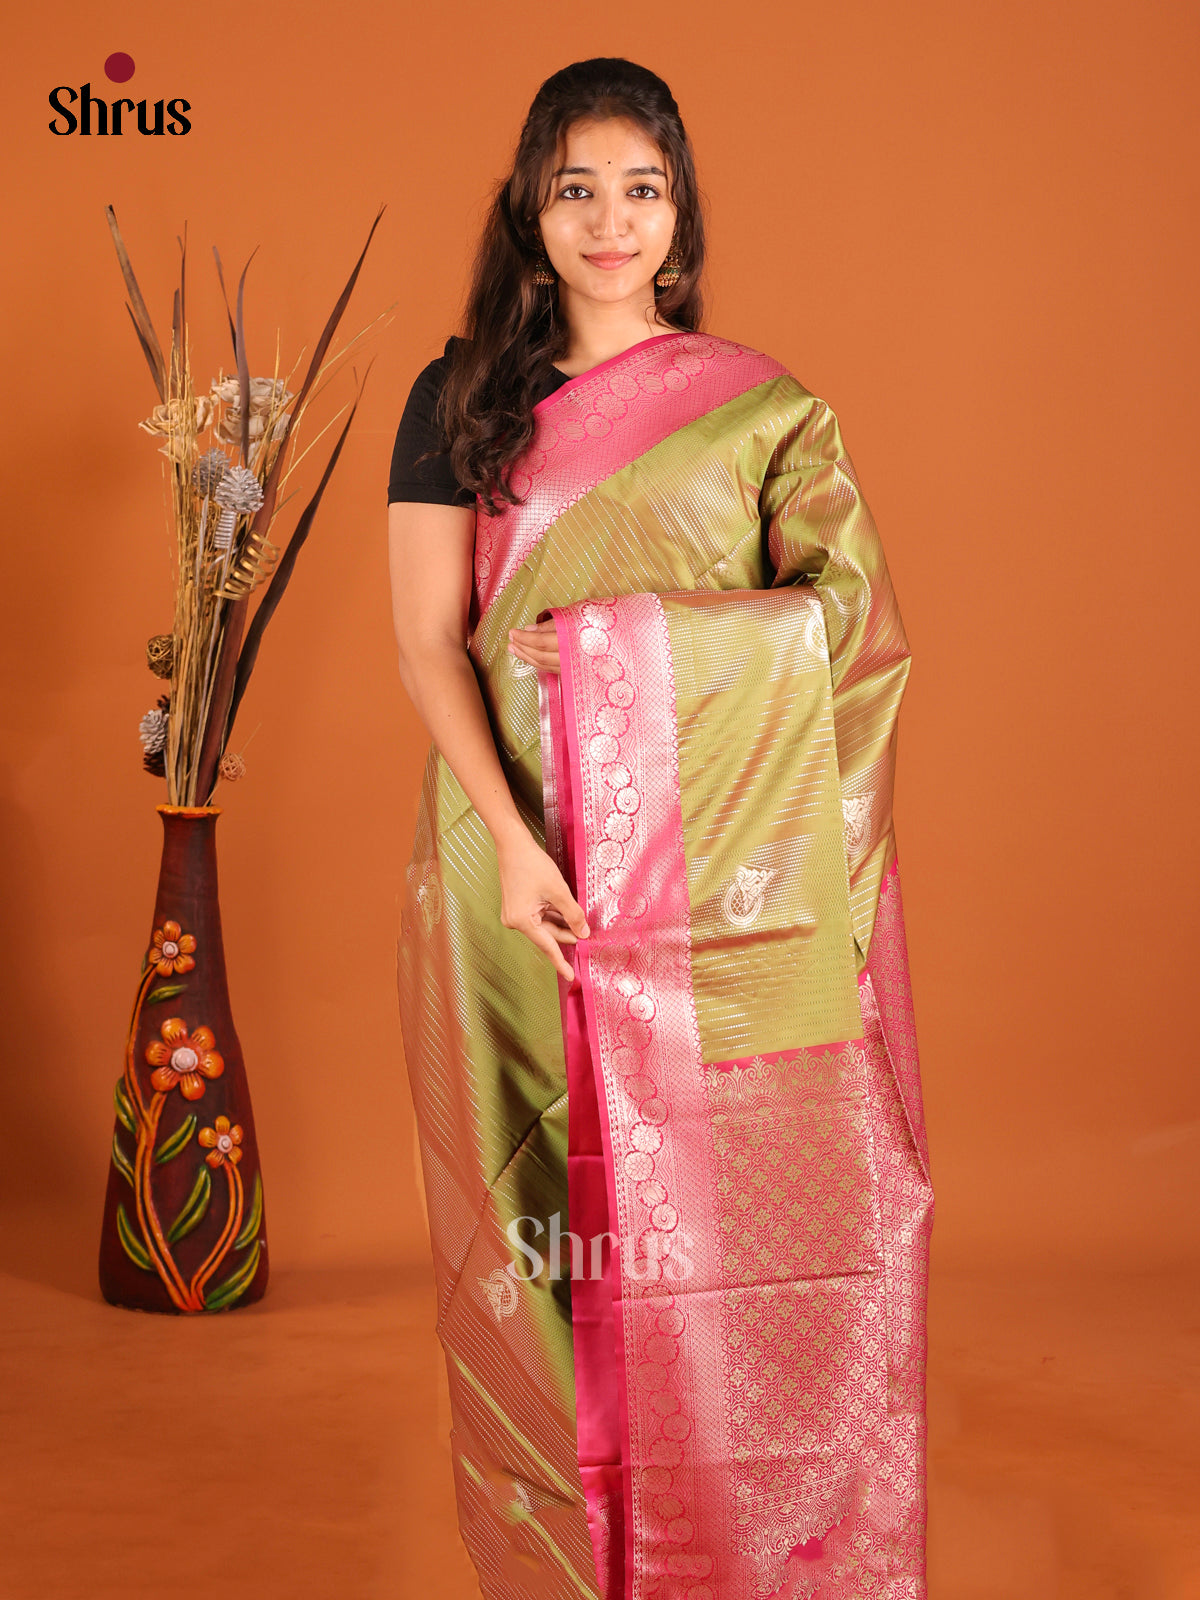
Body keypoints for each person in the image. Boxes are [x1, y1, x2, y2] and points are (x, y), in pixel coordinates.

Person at [387, 56, 933, 1600]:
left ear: (680, 214)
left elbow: (850, 637)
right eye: (576, 190)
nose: (610, 221)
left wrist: (617, 649)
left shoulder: (763, 412)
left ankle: (743, 1556)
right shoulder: (458, 400)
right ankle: (570, 1572)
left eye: (641, 189)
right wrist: (517, 847)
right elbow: (429, 644)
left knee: (720, 1234)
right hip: (510, 875)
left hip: (716, 895)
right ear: (529, 212)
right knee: (538, 1238)